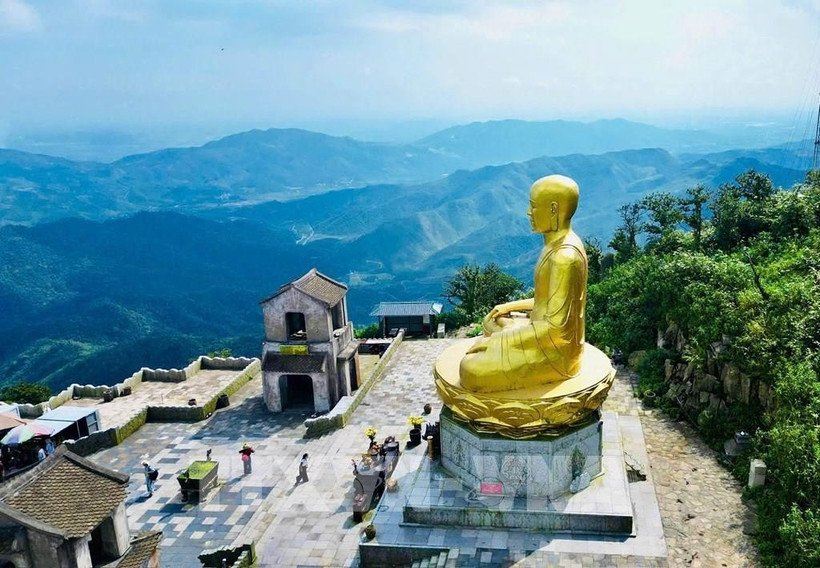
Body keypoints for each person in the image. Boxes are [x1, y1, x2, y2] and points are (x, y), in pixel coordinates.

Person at [460, 175, 587, 393]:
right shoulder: (554, 246)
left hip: (556, 354)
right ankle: (504, 331)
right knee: (492, 320)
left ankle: (502, 340)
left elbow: (555, 331)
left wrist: (500, 340)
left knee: (470, 370)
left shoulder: (564, 256)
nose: (529, 213)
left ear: (554, 210)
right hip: (538, 333)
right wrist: (509, 308)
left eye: (534, 206)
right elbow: (544, 301)